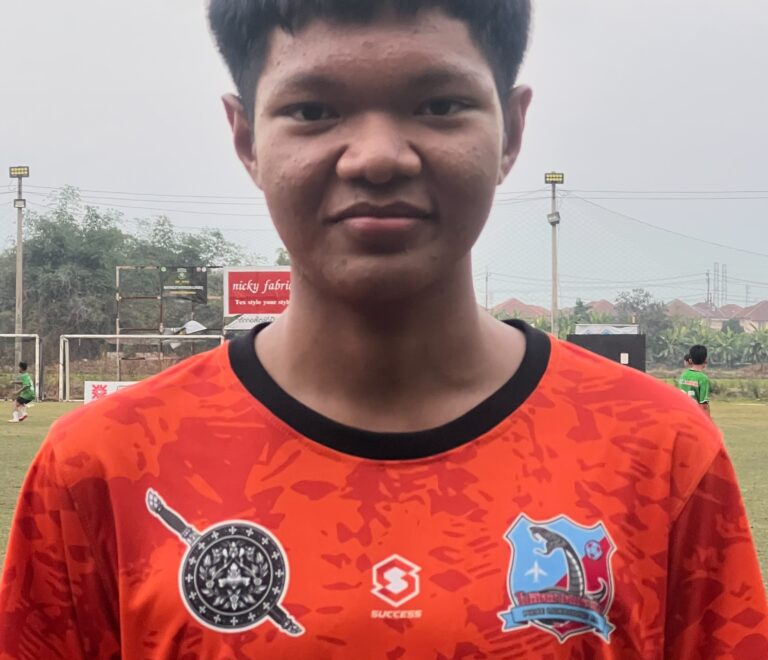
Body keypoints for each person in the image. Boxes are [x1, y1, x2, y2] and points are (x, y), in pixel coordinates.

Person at [1, 2, 766, 658]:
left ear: (511, 131)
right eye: (313, 110)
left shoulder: (659, 451)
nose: (376, 158)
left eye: (438, 104)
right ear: (245, 138)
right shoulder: (102, 467)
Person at [678, 344, 711, 417]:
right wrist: (708, 421)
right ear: (705, 359)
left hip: (682, 414)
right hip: (695, 416)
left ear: (691, 359)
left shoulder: (683, 375)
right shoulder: (703, 378)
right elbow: (703, 405)